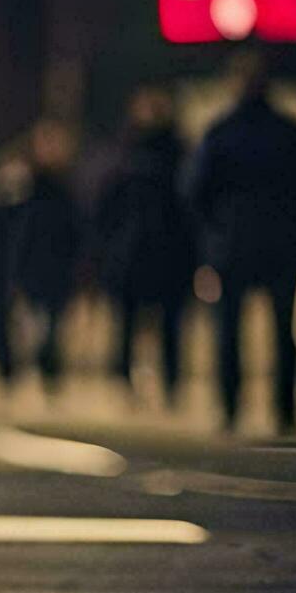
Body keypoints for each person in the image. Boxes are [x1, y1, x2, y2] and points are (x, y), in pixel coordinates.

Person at [185, 53, 296, 433]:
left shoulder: (220, 133)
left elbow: (195, 191)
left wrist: (214, 231)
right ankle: (284, 409)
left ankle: (231, 407)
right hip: (282, 243)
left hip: (231, 245)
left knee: (228, 330)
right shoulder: (290, 132)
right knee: (284, 330)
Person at [95, 87, 195, 403]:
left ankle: (167, 385)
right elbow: (106, 208)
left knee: (165, 326)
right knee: (133, 325)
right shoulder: (131, 155)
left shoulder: (153, 154)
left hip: (157, 254)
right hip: (141, 255)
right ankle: (131, 383)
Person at [7, 119, 83, 386]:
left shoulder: (69, 189)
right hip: (31, 268)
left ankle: (50, 375)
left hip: (59, 269)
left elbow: (77, 231)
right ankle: (25, 372)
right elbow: (14, 231)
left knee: (53, 328)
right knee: (29, 327)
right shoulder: (24, 187)